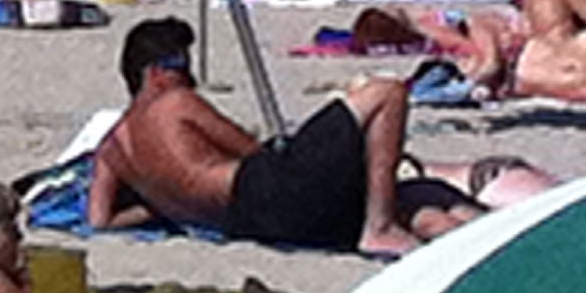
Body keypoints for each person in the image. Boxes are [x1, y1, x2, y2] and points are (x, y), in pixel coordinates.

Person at [85, 17, 434, 257]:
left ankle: (392, 217)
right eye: (181, 66)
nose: (188, 78)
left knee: (417, 203)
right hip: (266, 191)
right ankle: (380, 226)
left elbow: (100, 222)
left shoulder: (111, 150)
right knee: (386, 92)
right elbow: (254, 152)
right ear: (154, 72)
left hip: (247, 225)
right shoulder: (175, 104)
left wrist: (156, 204)